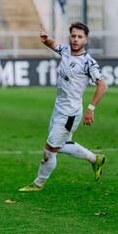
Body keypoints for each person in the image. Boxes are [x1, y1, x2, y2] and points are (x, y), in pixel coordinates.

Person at [19, 22, 107, 192]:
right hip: (59, 107)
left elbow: (102, 86)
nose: (75, 39)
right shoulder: (66, 51)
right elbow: (54, 45)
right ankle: (95, 159)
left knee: (50, 149)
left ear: (86, 39)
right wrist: (46, 40)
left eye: (79, 37)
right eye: (73, 36)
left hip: (70, 112)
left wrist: (91, 108)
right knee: (62, 144)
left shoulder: (88, 63)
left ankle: (38, 183)